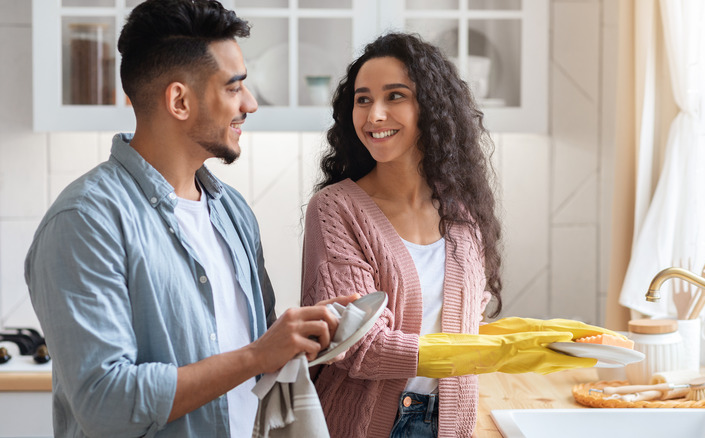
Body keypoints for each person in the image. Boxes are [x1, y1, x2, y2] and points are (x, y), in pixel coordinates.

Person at [24, 1, 353, 437]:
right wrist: (257, 355)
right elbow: (105, 403)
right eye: (234, 88)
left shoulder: (232, 210)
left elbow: (254, 356)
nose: (250, 104)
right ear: (179, 100)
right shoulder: (85, 221)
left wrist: (305, 338)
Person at [300, 32, 503, 438]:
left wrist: (521, 341)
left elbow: (466, 320)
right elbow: (359, 347)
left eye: (395, 96)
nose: (374, 115)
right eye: (363, 99)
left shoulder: (463, 215)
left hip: (452, 421)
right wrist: (493, 353)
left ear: (431, 108)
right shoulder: (336, 209)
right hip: (363, 424)